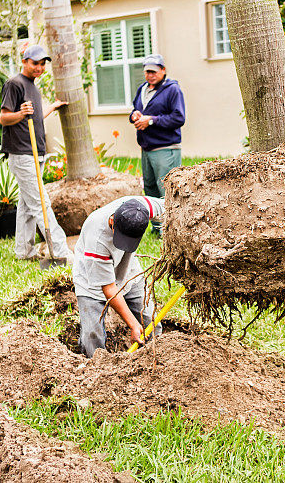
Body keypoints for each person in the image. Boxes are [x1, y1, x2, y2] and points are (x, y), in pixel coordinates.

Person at [0, 45, 72, 262]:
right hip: (22, 154)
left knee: (27, 206)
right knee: (41, 203)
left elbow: (36, 117)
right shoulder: (15, 84)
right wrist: (20, 113)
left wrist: (54, 106)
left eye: (42, 64)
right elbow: (4, 118)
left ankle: (24, 252)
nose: (39, 67)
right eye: (35, 63)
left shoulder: (32, 86)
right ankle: (61, 253)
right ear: (24, 61)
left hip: (35, 152)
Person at [73, 195, 165, 357]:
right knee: (92, 337)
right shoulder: (97, 238)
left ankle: (157, 360)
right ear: (112, 221)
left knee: (152, 323)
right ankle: (95, 370)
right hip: (92, 282)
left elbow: (173, 208)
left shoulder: (143, 208)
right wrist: (133, 325)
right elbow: (109, 288)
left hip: (128, 272)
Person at [128, 54, 185, 233]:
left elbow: (179, 117)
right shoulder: (142, 89)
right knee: (151, 188)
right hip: (146, 147)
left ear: (163, 70)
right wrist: (135, 116)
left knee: (166, 189)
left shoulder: (172, 90)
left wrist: (151, 120)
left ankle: (171, 229)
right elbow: (136, 109)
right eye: (147, 71)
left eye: (153, 71)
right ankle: (157, 227)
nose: (150, 75)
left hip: (165, 148)